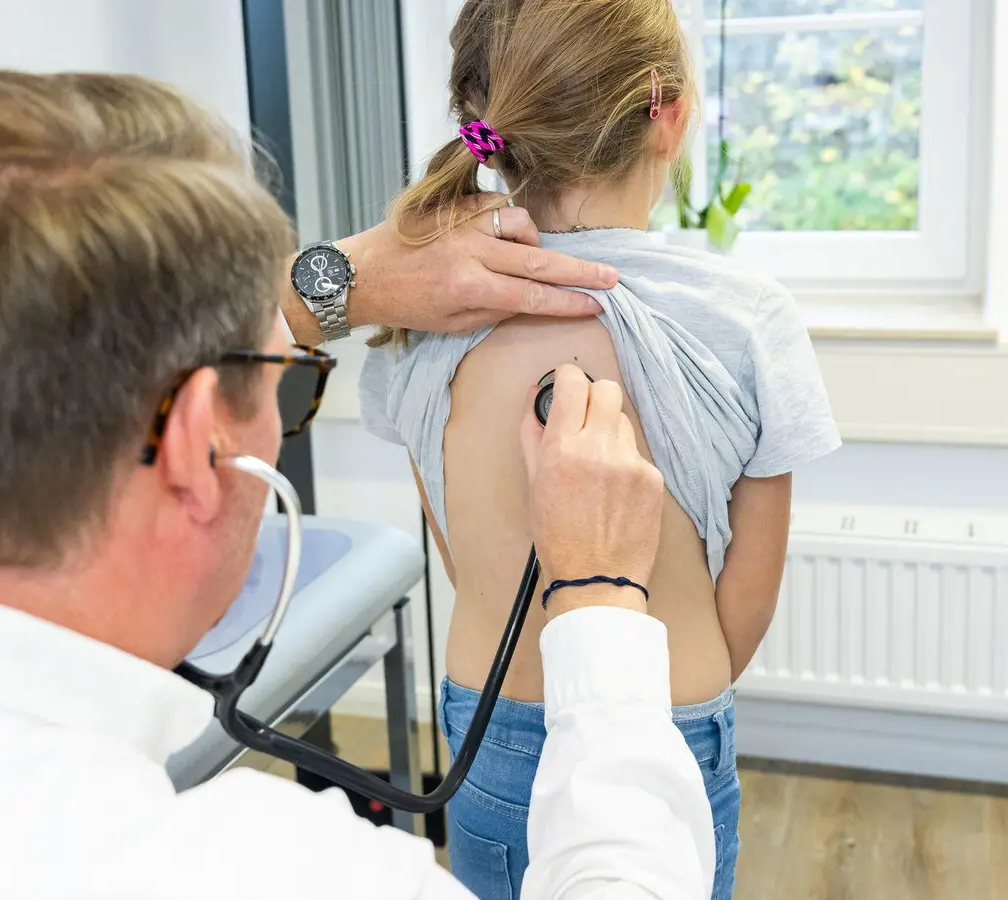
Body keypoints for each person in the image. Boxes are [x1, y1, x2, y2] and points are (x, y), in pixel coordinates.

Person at [0, 71, 719, 899]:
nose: (290, 377)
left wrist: (330, 288)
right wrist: (597, 599)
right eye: (280, 372)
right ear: (192, 446)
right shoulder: (268, 877)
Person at [357, 1, 842, 896]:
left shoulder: (426, 316)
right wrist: (688, 687)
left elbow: (456, 540)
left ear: (490, 126)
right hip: (666, 713)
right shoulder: (741, 317)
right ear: (668, 112)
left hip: (486, 726)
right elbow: (750, 586)